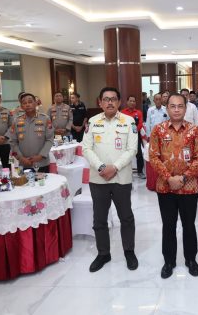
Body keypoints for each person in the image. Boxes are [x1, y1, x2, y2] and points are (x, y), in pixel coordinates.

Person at [82, 87, 139, 273]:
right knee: (99, 219)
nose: (109, 102)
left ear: (119, 102)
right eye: (106, 99)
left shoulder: (129, 121)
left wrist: (114, 167)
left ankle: (129, 251)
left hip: (121, 178)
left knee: (126, 217)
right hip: (98, 179)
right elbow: (86, 148)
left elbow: (132, 149)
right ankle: (103, 253)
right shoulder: (92, 121)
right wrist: (101, 168)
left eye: (113, 99)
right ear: (100, 102)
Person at [149, 93, 198, 279]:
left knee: (189, 225)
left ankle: (191, 259)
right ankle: (169, 261)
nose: (176, 109)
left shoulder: (194, 130)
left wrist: (184, 177)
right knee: (168, 225)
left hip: (189, 187)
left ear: (186, 108)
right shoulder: (158, 130)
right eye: (172, 106)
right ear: (167, 108)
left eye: (180, 106)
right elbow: (153, 156)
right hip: (165, 188)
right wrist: (168, 177)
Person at [9, 93, 54, 172]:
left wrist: (40, 156)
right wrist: (21, 158)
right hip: (22, 163)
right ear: (21, 106)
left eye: (30, 102)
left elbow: (49, 139)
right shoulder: (16, 121)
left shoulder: (45, 119)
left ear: (36, 103)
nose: (27, 105)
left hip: (41, 162)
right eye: (24, 103)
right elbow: (13, 141)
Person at [121, 95, 147, 179]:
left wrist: (133, 131)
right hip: (125, 135)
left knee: (139, 153)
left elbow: (140, 124)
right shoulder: (122, 113)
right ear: (127, 102)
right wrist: (128, 131)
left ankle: (140, 172)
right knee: (125, 154)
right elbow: (121, 124)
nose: (132, 102)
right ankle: (125, 172)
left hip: (136, 135)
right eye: (130, 101)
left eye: (134, 101)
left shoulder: (138, 112)